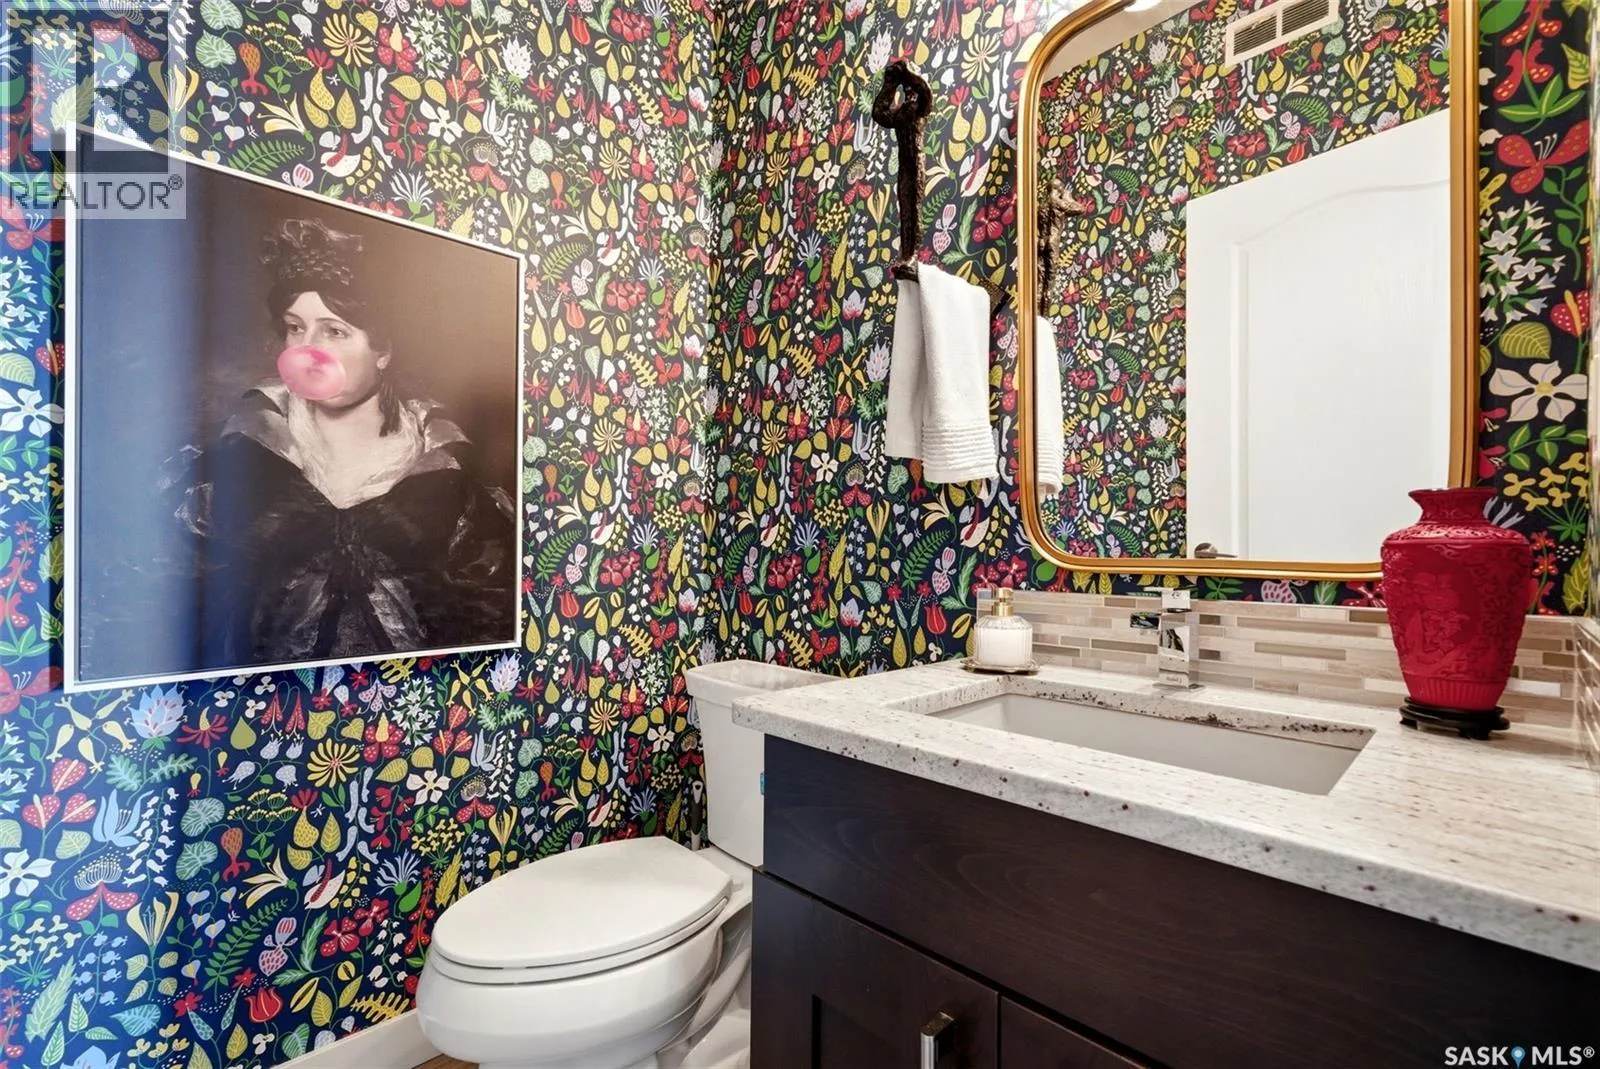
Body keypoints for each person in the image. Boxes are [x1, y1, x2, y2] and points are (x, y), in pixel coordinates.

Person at [175, 217, 516, 669]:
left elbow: (485, 612)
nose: (307, 350)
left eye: (334, 331)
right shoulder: (237, 457)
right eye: (295, 328)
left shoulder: (447, 473)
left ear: (383, 351)